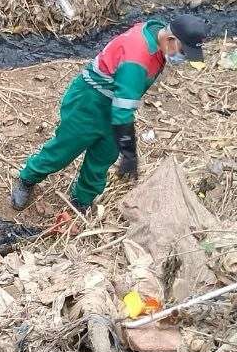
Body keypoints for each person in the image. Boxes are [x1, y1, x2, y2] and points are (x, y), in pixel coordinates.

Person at [12, 14, 207, 212]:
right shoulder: (137, 60)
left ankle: (82, 199)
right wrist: (129, 153)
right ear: (170, 40)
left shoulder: (156, 32)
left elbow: (123, 104)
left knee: (104, 155)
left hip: (113, 101)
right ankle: (27, 178)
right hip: (88, 102)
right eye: (183, 52)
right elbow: (123, 112)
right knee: (64, 149)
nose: (183, 58)